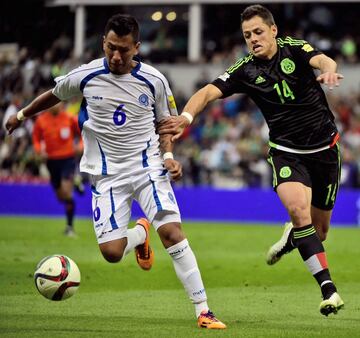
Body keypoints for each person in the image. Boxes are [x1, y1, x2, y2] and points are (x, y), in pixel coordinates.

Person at [6, 14, 226, 329]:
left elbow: (165, 125)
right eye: (111, 48)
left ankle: (203, 311)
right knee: (111, 252)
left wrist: (168, 156)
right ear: (103, 44)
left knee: (172, 232)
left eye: (124, 49)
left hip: (147, 165)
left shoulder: (154, 80)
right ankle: (140, 234)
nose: (116, 56)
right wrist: (23, 114)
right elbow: (55, 94)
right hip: (106, 175)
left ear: (136, 47)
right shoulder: (86, 75)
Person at [158, 4, 344, 316]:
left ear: (273, 30)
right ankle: (329, 290)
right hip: (286, 152)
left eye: (258, 32)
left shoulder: (294, 49)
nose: (253, 39)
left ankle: (292, 237)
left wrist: (327, 68)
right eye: (247, 35)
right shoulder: (245, 70)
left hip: (326, 151)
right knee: (299, 212)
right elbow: (207, 92)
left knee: (319, 230)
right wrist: (187, 116)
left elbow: (322, 59)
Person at [32, 102, 83, 236]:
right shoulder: (41, 120)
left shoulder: (69, 118)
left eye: (58, 102)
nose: (56, 105)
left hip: (68, 159)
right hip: (51, 161)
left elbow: (83, 133)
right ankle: (76, 182)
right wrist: (38, 151)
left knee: (66, 191)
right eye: (53, 102)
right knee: (61, 197)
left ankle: (69, 227)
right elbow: (36, 138)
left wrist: (81, 146)